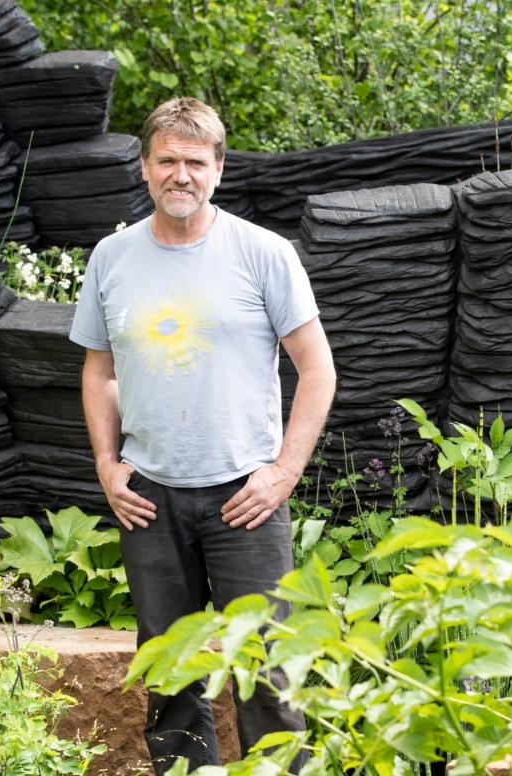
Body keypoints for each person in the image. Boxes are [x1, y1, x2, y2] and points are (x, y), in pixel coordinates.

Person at [69, 96, 335, 773]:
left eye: (195, 162)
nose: (179, 174)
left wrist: (282, 474)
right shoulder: (112, 257)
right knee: (171, 672)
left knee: (268, 669)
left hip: (245, 498)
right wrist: (107, 464)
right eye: (167, 161)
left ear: (218, 169)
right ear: (145, 167)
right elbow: (99, 371)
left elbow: (317, 369)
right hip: (149, 498)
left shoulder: (263, 253)